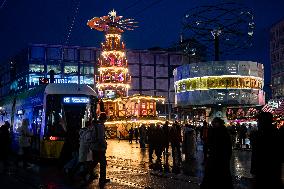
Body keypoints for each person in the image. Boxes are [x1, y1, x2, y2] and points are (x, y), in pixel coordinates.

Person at [250, 112, 282, 189]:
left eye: (259, 120)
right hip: (268, 170)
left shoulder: (266, 134)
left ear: (264, 121)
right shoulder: (275, 133)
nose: (258, 122)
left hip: (266, 170)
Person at [200, 117, 233, 189]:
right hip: (216, 156)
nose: (213, 124)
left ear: (218, 123)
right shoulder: (217, 131)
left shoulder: (221, 131)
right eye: (212, 122)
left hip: (220, 157)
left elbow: (227, 145)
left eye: (214, 122)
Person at [88, 113, 110, 187]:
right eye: (105, 119)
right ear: (104, 119)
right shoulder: (100, 126)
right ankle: (102, 179)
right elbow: (101, 138)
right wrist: (105, 145)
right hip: (99, 148)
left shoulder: (95, 125)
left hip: (94, 147)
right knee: (103, 164)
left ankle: (88, 174)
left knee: (94, 162)